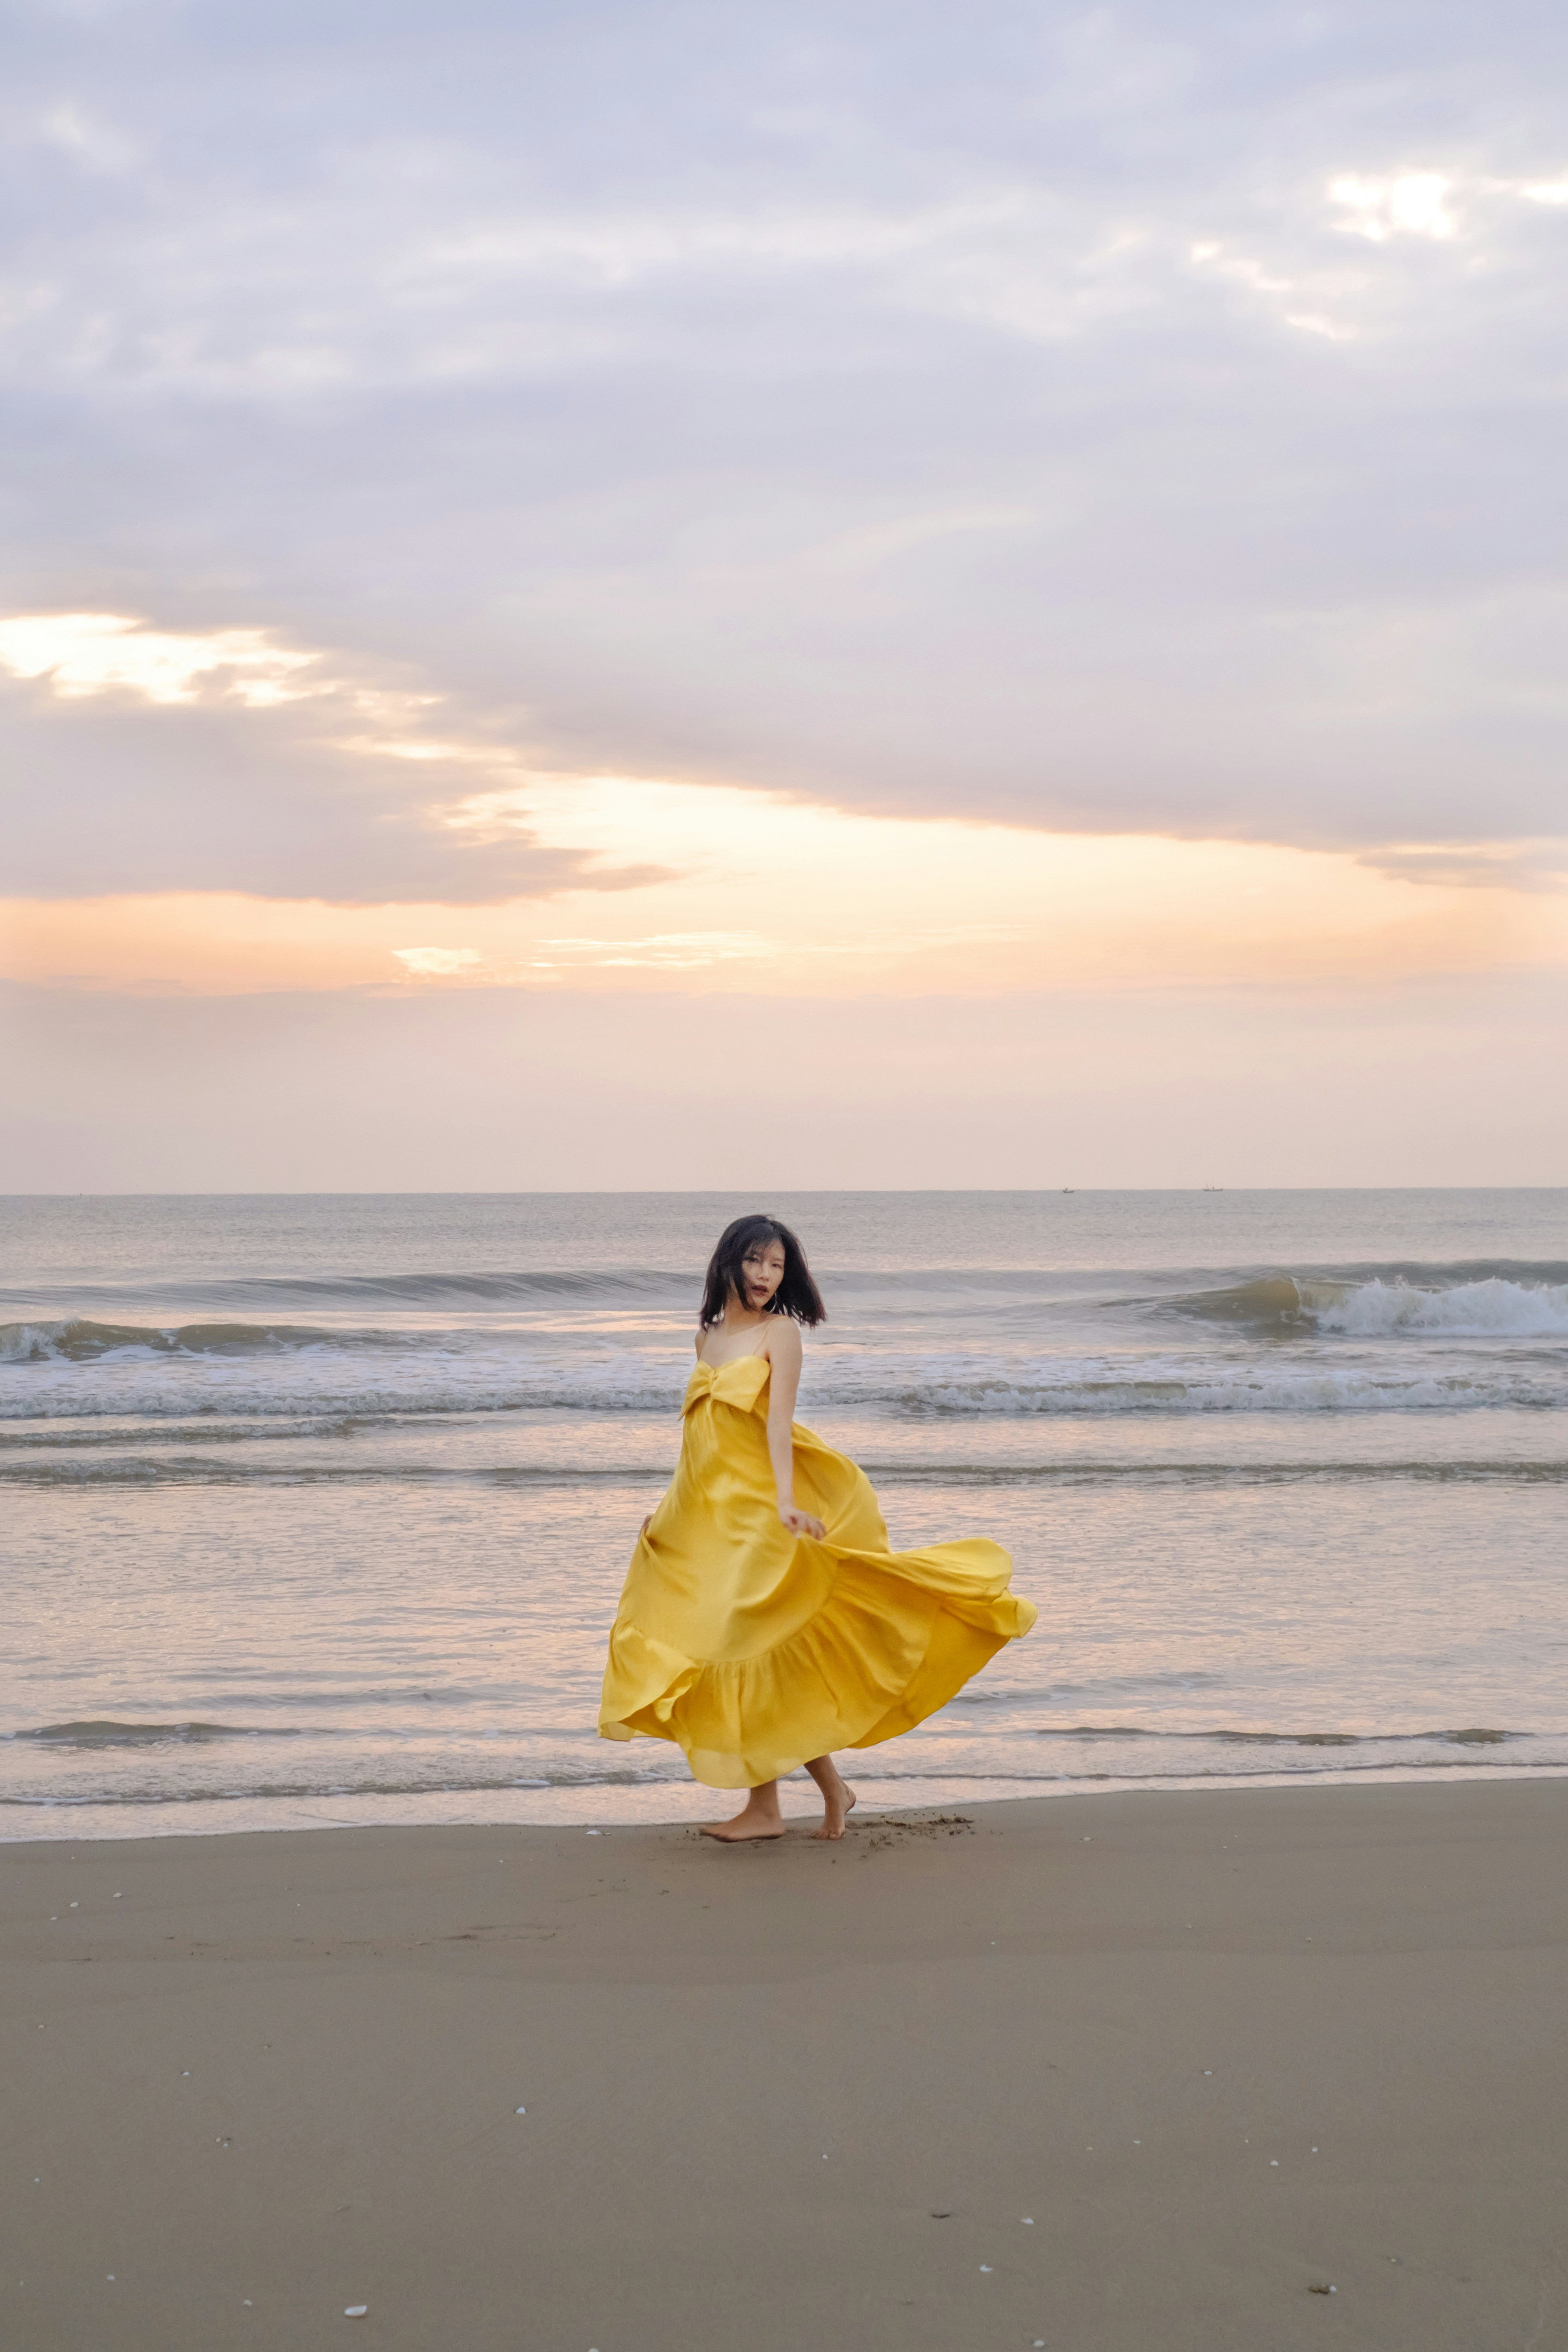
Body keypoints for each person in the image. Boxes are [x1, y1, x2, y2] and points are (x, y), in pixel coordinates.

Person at [599, 1213, 1036, 1841]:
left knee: (751, 1644)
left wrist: (783, 1501)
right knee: (736, 1649)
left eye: (776, 1266)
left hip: (763, 1512)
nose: (765, 1276)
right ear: (728, 1261)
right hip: (712, 1514)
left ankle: (769, 1807)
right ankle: (811, 1796)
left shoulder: (780, 1334)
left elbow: (777, 1426)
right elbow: (700, 1443)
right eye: (755, 1261)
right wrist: (665, 1510)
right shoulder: (706, 1338)